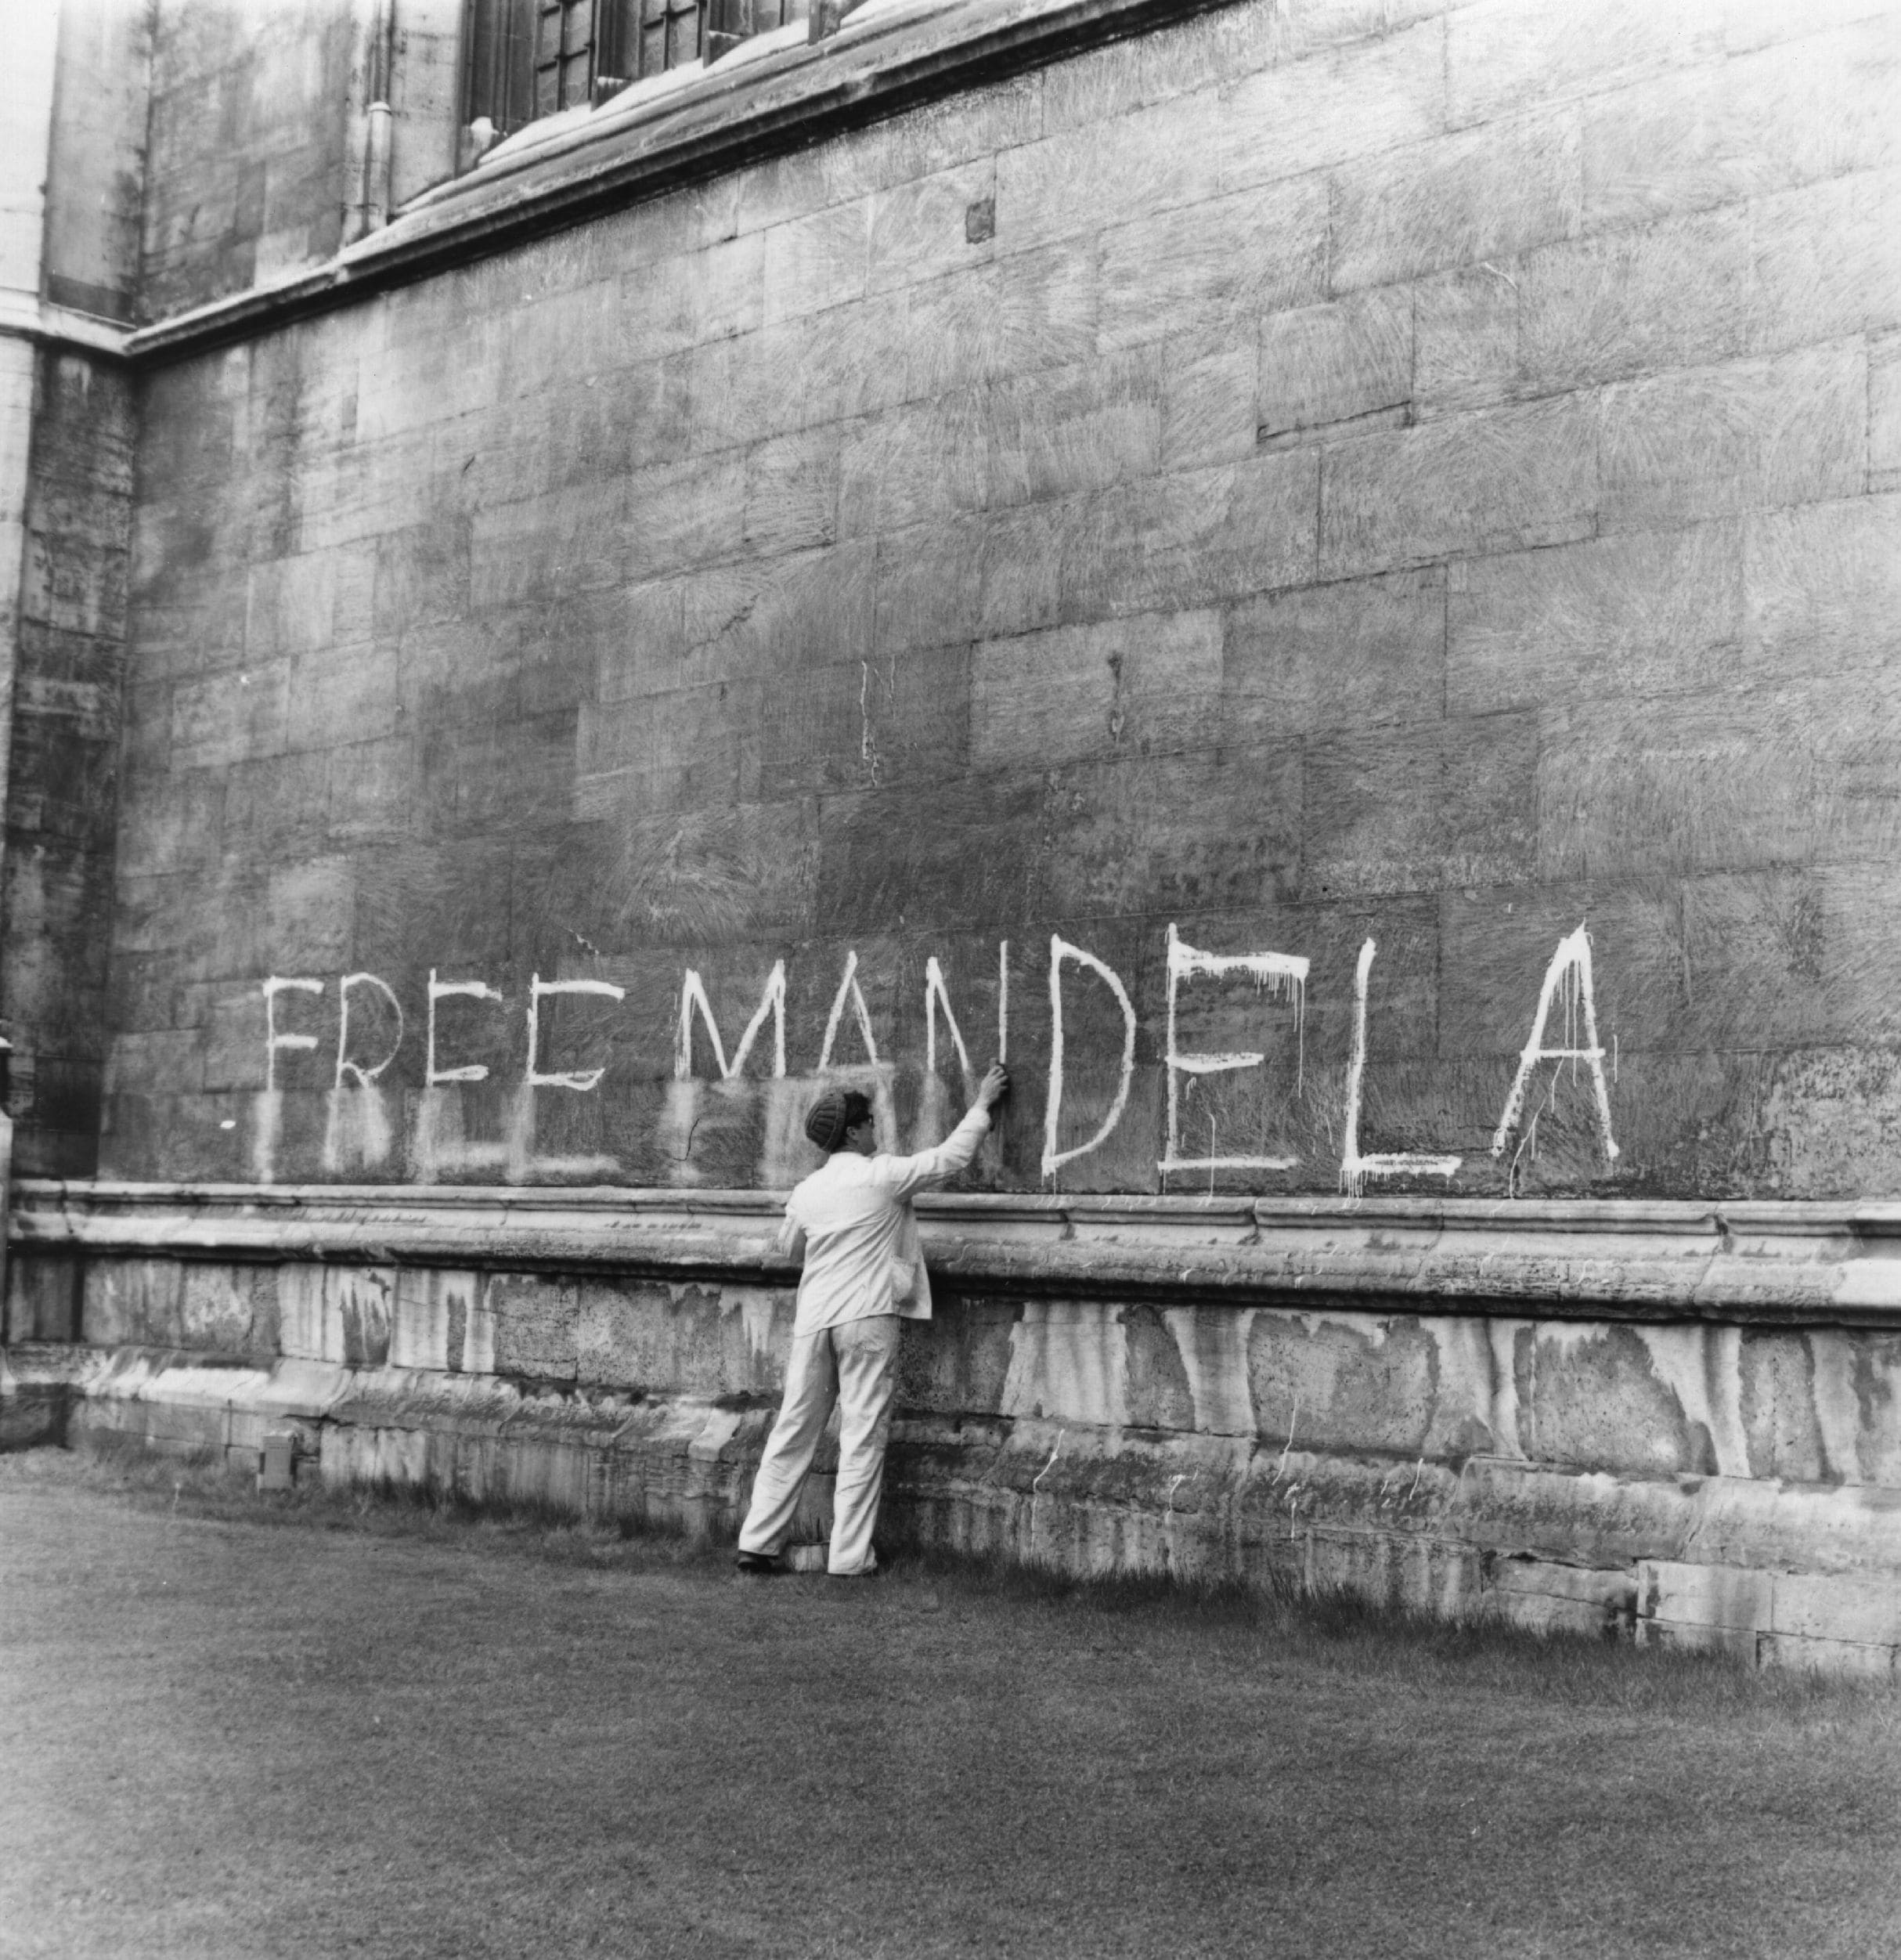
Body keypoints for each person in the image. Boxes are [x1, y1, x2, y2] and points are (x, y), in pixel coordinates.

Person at [735, 1062, 1011, 1578]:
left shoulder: (808, 1191)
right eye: (869, 1123)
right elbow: (950, 1158)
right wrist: (981, 1105)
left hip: (815, 1319)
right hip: (865, 1316)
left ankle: (758, 1541)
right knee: (862, 1432)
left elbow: (788, 1246)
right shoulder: (883, 1176)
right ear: (855, 1130)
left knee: (794, 1426)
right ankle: (848, 1556)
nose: (876, 1131)